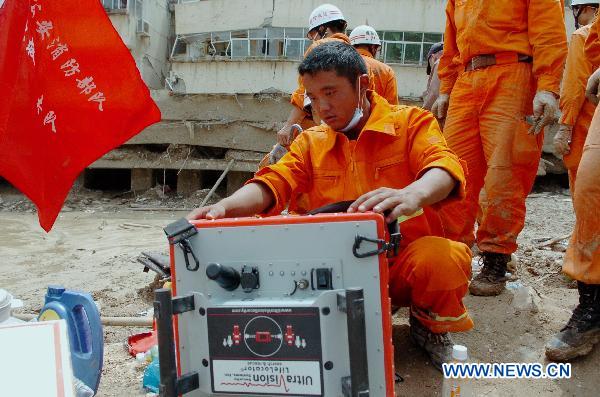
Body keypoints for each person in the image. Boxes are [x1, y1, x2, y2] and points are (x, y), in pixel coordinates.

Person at [189, 42, 473, 370]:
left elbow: (444, 168)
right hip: (332, 274)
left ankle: (428, 326)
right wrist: (224, 207)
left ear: (363, 85)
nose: (322, 107)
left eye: (331, 92)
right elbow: (272, 184)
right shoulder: (311, 143)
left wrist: (413, 193)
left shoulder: (411, 124)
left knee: (444, 259)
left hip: (399, 266)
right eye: (313, 97)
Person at [432, 0, 568, 296]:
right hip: (467, 79)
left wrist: (547, 85)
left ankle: (496, 257)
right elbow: (451, 43)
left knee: (505, 173)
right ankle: (452, 253)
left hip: (513, 73)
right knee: (454, 171)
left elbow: (548, 32)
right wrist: (446, 88)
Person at [545, 11, 600, 362]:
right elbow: (576, 85)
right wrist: (565, 126)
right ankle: (592, 306)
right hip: (586, 124)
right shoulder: (585, 37)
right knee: (591, 197)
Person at [277, 3, 350, 147]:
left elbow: (305, 93)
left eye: (312, 34)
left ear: (323, 29)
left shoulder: (318, 48)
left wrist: (288, 125)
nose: (313, 39)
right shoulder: (357, 56)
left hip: (327, 130)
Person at [554, 1, 599, 194]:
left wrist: (565, 127)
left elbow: (575, 87)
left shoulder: (582, 36)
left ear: (589, 9)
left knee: (585, 191)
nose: (574, 14)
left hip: (587, 126)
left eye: (575, 9)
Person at [349, 24, 399, 105]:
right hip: (379, 117)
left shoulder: (341, 66)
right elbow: (392, 107)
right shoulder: (387, 71)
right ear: (373, 47)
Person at [422, 42, 444, 111]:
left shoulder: (439, 63)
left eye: (430, 65)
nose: (432, 69)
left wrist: (423, 112)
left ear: (432, 57)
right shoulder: (457, 60)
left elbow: (433, 94)